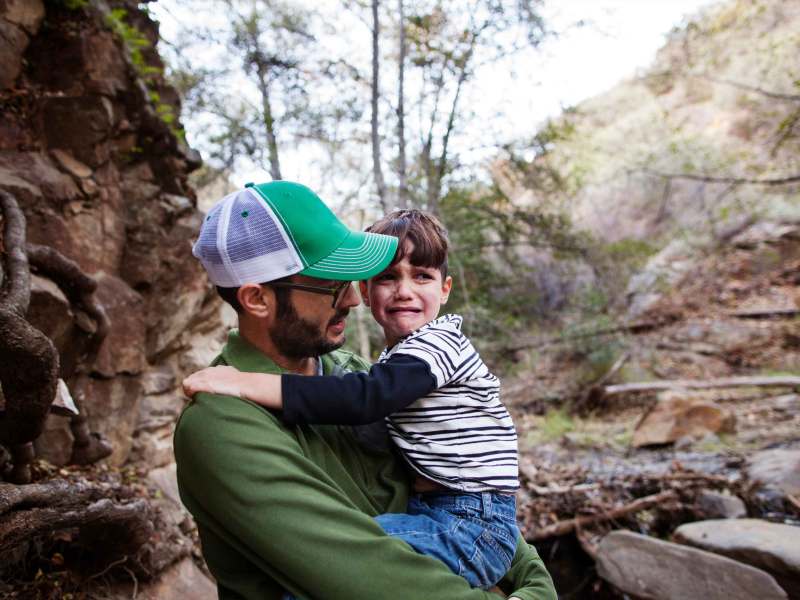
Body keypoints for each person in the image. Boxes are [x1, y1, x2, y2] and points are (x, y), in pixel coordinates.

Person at [174, 181, 556, 600]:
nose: (354, 299)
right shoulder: (221, 425)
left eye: (353, 279)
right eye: (331, 282)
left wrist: (534, 585)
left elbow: (476, 497)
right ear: (257, 299)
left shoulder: (352, 371)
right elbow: (371, 581)